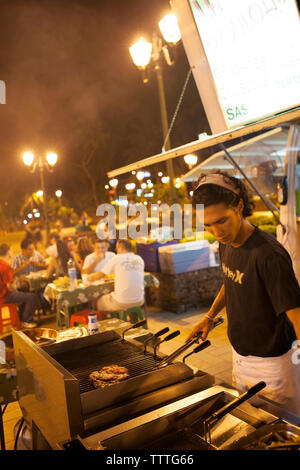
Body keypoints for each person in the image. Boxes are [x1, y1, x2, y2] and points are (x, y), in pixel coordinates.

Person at [186, 171, 300, 415]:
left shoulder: (268, 255)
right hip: (239, 358)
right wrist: (209, 317)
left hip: (274, 367)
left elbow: (297, 315)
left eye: (221, 221)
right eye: (207, 225)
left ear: (238, 206)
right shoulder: (226, 242)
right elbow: (231, 280)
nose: (216, 231)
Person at [88, 239, 144, 312]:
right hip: (140, 299)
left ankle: (111, 321)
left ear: (121, 247)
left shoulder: (117, 258)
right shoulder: (139, 259)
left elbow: (98, 276)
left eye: (117, 248)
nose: (116, 250)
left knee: (95, 302)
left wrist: (89, 277)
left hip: (122, 302)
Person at [0, 243, 38, 328]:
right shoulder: (5, 265)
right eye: (11, 250)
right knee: (32, 297)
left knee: (22, 296)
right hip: (4, 296)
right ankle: (26, 321)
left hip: (2, 295)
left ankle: (19, 320)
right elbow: (9, 285)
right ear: (8, 252)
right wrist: (16, 291)